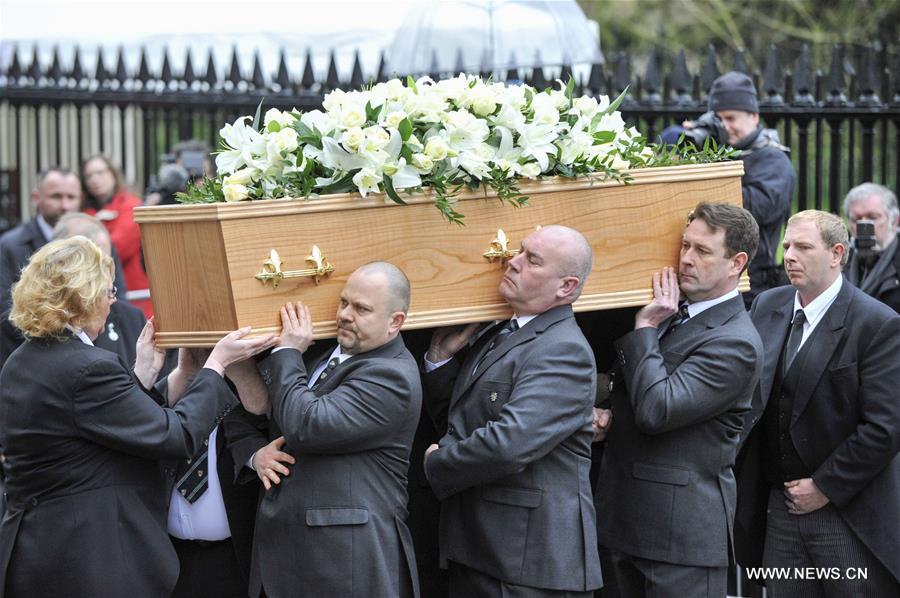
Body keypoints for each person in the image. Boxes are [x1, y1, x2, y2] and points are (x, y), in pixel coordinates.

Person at [0, 236, 277, 597]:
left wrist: (142, 375)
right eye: (108, 290)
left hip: (40, 550)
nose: (114, 300)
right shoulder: (88, 366)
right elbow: (175, 436)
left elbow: (93, 427)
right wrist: (217, 365)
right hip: (86, 558)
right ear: (82, 297)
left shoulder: (22, 360)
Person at [422, 225, 602, 597]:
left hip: (527, 564)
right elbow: (461, 422)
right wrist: (439, 363)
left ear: (565, 287)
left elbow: (510, 443)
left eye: (531, 260)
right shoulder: (498, 333)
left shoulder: (562, 350)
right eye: (520, 251)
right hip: (483, 550)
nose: (513, 261)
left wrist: (438, 463)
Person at [594, 203, 763, 598]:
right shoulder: (675, 311)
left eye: (702, 251)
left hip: (681, 539)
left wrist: (645, 328)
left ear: (736, 262)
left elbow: (658, 409)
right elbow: (629, 388)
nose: (685, 259)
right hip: (625, 521)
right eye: (685, 245)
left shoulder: (735, 341)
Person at [734, 210, 900, 596]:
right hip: (777, 507)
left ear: (837, 253)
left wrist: (824, 486)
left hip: (845, 512)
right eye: (787, 245)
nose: (789, 255)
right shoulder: (766, 307)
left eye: (803, 247)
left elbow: (885, 427)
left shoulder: (876, 323)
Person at [251, 261, 422, 598]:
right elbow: (283, 412)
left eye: (362, 309)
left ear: (395, 322)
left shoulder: (392, 377)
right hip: (296, 554)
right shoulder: (331, 357)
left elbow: (305, 425)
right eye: (344, 302)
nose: (345, 314)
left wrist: (287, 350)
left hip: (344, 562)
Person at [664, 71, 796, 307]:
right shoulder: (712, 152)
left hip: (748, 285)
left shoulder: (772, 160)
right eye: (718, 120)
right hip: (698, 283)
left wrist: (708, 166)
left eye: (731, 118)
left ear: (754, 116)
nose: (725, 127)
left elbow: (751, 211)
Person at [0, 168, 83, 366]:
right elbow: (5, 309)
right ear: (36, 198)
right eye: (56, 196)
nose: (65, 205)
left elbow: (114, 295)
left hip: (85, 356)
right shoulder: (10, 246)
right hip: (26, 357)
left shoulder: (95, 239)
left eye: (71, 197)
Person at [80, 154, 152, 316]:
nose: (94, 180)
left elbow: (116, 248)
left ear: (113, 173)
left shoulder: (131, 205)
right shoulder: (85, 211)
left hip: (130, 293)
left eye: (100, 173)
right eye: (89, 176)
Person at [842, 182, 900, 313]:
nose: (864, 225)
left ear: (895, 221)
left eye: (872, 218)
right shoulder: (839, 263)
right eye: (857, 219)